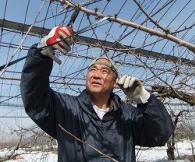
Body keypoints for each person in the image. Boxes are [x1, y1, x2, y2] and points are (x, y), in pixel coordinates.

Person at [20, 26, 174, 162]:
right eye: (92, 70)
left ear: (115, 82)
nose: (96, 75)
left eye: (104, 71)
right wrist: (42, 52)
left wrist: (144, 98)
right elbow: (34, 95)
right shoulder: (66, 109)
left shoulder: (128, 116)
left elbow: (160, 134)